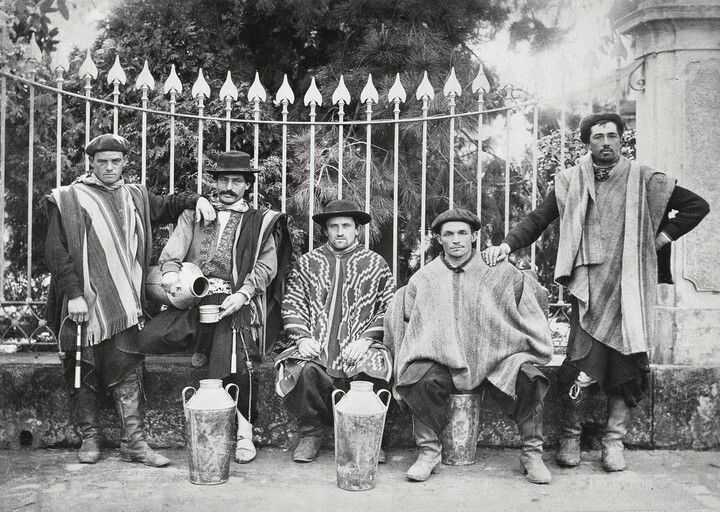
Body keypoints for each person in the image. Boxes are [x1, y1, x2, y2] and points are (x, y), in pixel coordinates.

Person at [482, 112, 710, 472]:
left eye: (612, 136)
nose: (606, 142)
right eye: (598, 137)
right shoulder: (570, 180)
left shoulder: (644, 179)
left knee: (627, 366)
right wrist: (508, 246)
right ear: (586, 143)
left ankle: (613, 442)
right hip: (587, 291)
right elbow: (538, 220)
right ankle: (571, 437)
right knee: (577, 367)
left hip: (630, 289)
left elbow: (697, 206)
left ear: (622, 139)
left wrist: (658, 240)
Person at [44, 133, 215, 466]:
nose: (109, 167)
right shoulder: (67, 199)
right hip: (83, 304)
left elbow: (169, 204)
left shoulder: (135, 196)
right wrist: (75, 295)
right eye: (103, 161)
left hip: (124, 303)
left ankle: (134, 444)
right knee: (83, 367)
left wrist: (196, 200)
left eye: (116, 161)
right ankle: (89, 438)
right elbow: (55, 252)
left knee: (128, 369)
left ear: (124, 163)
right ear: (90, 162)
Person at [138, 150, 290, 463]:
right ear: (215, 181)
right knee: (142, 340)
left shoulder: (260, 222)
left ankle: (244, 433)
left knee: (230, 345)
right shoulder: (194, 214)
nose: (229, 186)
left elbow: (266, 266)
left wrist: (244, 294)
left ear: (248, 185)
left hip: (237, 304)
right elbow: (173, 252)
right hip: (191, 303)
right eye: (224, 179)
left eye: (237, 180)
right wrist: (169, 275)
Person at [385, 209, 554, 484]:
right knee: (416, 377)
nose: (456, 240)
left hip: (494, 357)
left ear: (474, 236)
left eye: (463, 233)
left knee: (529, 377)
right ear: (439, 239)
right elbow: (410, 325)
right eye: (448, 234)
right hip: (444, 359)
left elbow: (529, 301)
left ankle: (532, 454)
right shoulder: (424, 278)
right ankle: (429, 453)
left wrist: (515, 343)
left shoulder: (496, 270)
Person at [275, 199, 395, 463]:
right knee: (299, 368)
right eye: (333, 226)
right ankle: (311, 433)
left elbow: (389, 308)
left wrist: (366, 340)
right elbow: (292, 302)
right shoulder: (307, 263)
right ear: (326, 230)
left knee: (376, 364)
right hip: (317, 345)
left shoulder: (376, 263)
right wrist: (303, 337)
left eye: (346, 226)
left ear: (357, 230)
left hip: (360, 347)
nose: (340, 232)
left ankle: (370, 435)